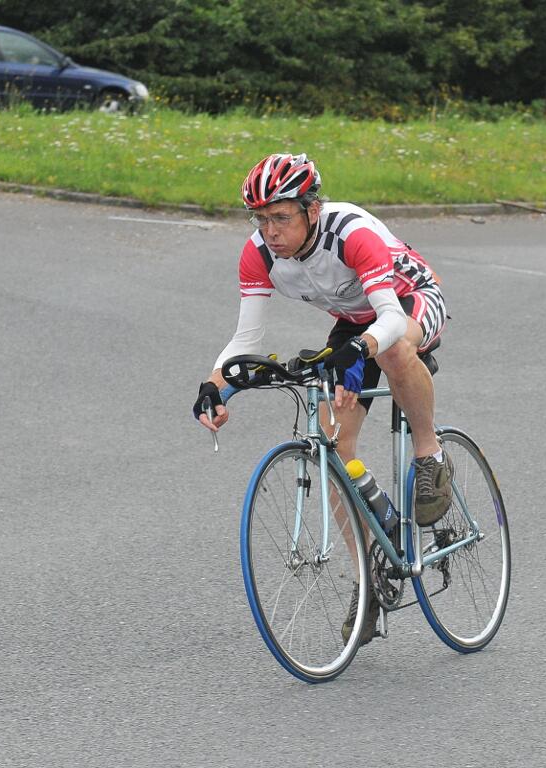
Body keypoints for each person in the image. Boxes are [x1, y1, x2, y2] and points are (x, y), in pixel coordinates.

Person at [193, 152, 453, 645]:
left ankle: (430, 456)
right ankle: (367, 581)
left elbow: (388, 318)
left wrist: (363, 348)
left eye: (280, 217)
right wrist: (216, 386)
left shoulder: (350, 232)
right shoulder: (259, 254)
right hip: (354, 320)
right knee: (334, 448)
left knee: (393, 350)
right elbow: (246, 339)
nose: (270, 231)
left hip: (408, 300)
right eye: (260, 219)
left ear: (312, 209)